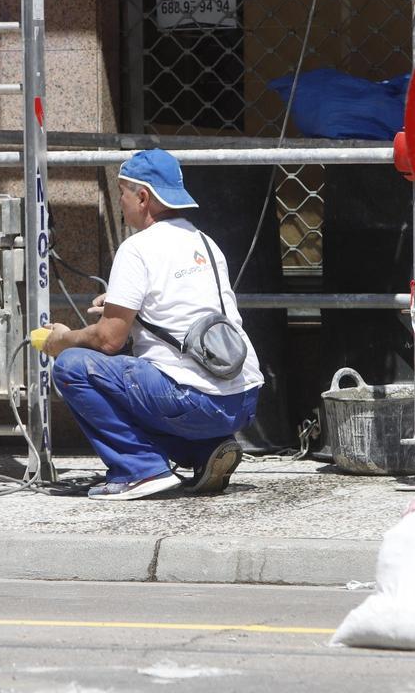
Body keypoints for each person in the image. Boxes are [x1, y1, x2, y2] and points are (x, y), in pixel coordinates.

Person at [42, 148, 264, 501]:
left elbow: (109, 341)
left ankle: (138, 469)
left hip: (193, 399)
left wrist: (63, 339)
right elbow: (181, 306)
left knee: (73, 367)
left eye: (122, 193)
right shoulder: (205, 242)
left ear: (142, 197)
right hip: (242, 399)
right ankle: (205, 450)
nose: (121, 202)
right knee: (140, 378)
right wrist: (124, 307)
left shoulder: (137, 248)